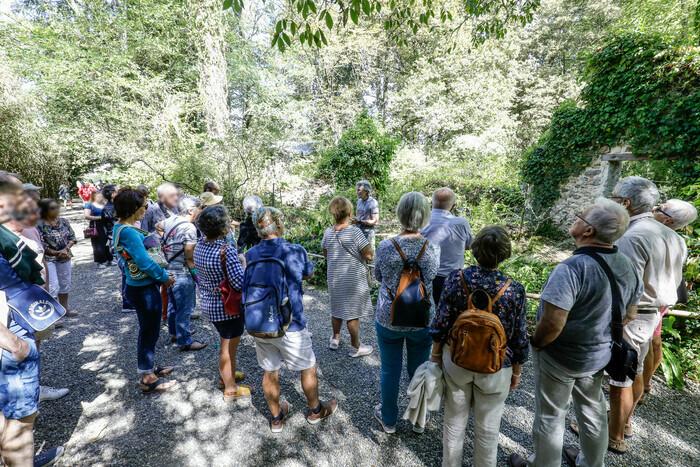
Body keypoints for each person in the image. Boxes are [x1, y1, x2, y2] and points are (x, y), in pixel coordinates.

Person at [509, 198, 643, 467]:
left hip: (562, 355)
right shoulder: (627, 264)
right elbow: (630, 313)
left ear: (588, 231)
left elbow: (553, 323)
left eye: (580, 215)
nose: (575, 217)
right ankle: (591, 463)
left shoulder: (571, 268)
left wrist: (536, 343)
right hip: (598, 355)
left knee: (551, 413)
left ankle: (543, 463)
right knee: (592, 409)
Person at [430, 225, 527, 466]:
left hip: (457, 360)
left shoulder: (456, 278)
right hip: (496, 366)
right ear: (505, 253)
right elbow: (519, 336)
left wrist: (435, 356)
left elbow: (441, 323)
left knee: (454, 421)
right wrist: (516, 370)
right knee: (488, 429)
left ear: (474, 249)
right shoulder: (514, 290)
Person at [607, 176, 686, 454]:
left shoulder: (632, 236)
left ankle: (614, 436)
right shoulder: (676, 237)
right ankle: (625, 424)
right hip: (653, 313)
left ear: (625, 203)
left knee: (619, 377)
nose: (611, 201)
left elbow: (625, 284)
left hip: (632, 315)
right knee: (635, 369)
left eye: (614, 198)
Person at [245, 206, 337, 432]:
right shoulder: (295, 250)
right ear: (279, 224)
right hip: (290, 323)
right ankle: (316, 411)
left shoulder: (250, 254)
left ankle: (276, 418)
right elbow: (308, 273)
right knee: (307, 367)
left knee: (270, 370)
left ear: (258, 229)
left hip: (260, 322)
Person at [0, 171, 64, 466]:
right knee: (22, 416)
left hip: (17, 324)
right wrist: (11, 341)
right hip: (10, 336)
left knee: (9, 412)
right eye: (19, 196)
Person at [373, 192, 440, 433]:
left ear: (399, 214)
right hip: (421, 319)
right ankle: (419, 419)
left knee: (390, 369)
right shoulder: (431, 248)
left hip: (388, 317)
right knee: (419, 369)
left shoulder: (385, 246)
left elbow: (377, 277)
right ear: (425, 216)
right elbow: (431, 277)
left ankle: (389, 420)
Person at [112, 187, 176, 393]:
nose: (146, 209)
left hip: (137, 287)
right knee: (149, 330)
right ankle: (147, 377)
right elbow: (144, 262)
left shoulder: (120, 227)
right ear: (133, 209)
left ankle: (148, 366)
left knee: (148, 329)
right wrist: (165, 278)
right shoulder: (129, 232)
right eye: (143, 206)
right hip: (144, 289)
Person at [641, 199, 699, 398]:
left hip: (648, 301)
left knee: (646, 344)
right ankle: (645, 384)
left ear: (666, 220)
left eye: (659, 208)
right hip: (662, 300)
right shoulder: (679, 242)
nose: (654, 208)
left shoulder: (649, 234)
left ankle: (639, 387)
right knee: (653, 340)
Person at [194, 206, 251, 401]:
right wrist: (243, 263)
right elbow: (239, 283)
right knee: (228, 348)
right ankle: (230, 388)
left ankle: (227, 376)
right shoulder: (225, 251)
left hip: (210, 302)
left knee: (226, 344)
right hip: (228, 307)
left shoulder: (200, 245)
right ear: (224, 228)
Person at [322, 196, 374, 357]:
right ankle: (356, 346)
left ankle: (335, 338)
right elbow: (369, 256)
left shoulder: (328, 232)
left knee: (336, 308)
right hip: (353, 279)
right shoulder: (355, 232)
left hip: (334, 278)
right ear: (350, 212)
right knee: (352, 313)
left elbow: (326, 253)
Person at [158, 197, 206, 351]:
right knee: (184, 309)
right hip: (182, 271)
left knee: (173, 304)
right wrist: (198, 278)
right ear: (191, 210)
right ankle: (185, 341)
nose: (200, 212)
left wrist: (168, 247)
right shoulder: (189, 228)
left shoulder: (169, 220)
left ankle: (175, 333)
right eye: (199, 209)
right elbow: (190, 257)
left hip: (167, 270)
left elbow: (157, 226)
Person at [422, 187, 473, 304]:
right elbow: (469, 245)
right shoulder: (461, 223)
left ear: (431, 203)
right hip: (452, 279)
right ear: (453, 206)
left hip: (424, 277)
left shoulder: (422, 220)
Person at [37, 199, 77, 316]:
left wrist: (66, 249)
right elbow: (41, 243)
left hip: (65, 257)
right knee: (53, 286)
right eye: (53, 208)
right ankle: (54, 314)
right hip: (49, 259)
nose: (57, 210)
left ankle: (65, 308)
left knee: (65, 283)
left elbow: (72, 237)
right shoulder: (39, 225)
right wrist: (56, 252)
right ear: (45, 210)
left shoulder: (63, 221)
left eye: (57, 207)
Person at [84, 191, 112, 267]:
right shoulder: (89, 205)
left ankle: (109, 259)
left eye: (101, 196)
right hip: (96, 225)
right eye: (99, 196)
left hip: (105, 225)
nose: (101, 198)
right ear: (94, 197)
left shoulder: (104, 204)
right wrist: (100, 217)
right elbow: (86, 216)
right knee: (98, 244)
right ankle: (100, 262)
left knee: (106, 242)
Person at [353, 180, 379, 250]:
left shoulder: (373, 202)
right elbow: (358, 217)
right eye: (357, 190)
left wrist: (360, 221)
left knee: (369, 256)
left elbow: (375, 221)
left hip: (368, 233)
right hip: (358, 232)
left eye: (359, 190)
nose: (357, 192)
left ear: (366, 191)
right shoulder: (359, 201)